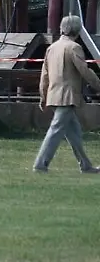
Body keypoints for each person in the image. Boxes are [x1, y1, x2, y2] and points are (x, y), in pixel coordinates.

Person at [33, 15, 100, 174]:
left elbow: (44, 75)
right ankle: (40, 165)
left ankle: (85, 165)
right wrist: (98, 85)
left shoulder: (52, 48)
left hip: (54, 95)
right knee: (55, 130)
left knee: (74, 132)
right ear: (78, 30)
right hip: (67, 96)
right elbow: (85, 71)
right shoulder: (74, 47)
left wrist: (43, 96)